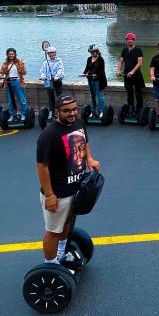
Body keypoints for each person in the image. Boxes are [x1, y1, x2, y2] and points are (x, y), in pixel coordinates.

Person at [36, 94, 101, 264]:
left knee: (67, 223)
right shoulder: (49, 135)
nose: (72, 113)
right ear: (57, 112)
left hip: (76, 187)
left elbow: (84, 142)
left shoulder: (78, 123)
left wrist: (90, 159)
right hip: (58, 193)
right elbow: (42, 167)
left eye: (74, 109)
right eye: (66, 111)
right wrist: (50, 195)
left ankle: (61, 252)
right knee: (53, 230)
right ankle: (50, 266)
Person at [116, 33, 145, 116]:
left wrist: (132, 71)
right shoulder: (124, 50)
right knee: (129, 93)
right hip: (126, 75)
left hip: (136, 75)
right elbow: (121, 61)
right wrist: (118, 70)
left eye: (131, 39)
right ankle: (130, 109)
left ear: (134, 40)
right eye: (128, 39)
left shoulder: (138, 50)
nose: (129, 41)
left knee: (138, 93)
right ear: (126, 41)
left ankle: (139, 110)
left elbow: (139, 63)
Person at [0, 47, 28, 122]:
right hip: (8, 83)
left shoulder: (19, 62)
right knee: (10, 101)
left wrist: (23, 65)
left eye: (12, 54)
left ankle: (23, 114)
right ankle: (12, 115)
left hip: (18, 82)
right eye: (9, 54)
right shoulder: (5, 63)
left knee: (22, 99)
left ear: (15, 54)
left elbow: (24, 73)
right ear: (7, 55)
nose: (11, 55)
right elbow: (1, 72)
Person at [39, 46, 65, 120]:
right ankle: (51, 112)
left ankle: (60, 112)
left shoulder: (59, 61)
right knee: (51, 98)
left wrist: (57, 76)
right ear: (48, 54)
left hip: (57, 81)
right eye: (50, 53)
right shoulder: (45, 62)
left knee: (59, 97)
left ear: (55, 53)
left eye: (53, 52)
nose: (52, 54)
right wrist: (43, 76)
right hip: (48, 81)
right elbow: (43, 71)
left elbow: (60, 70)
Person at [82, 45, 108, 117]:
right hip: (90, 79)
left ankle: (101, 111)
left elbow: (102, 71)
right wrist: (84, 73)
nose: (92, 53)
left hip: (99, 80)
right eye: (91, 52)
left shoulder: (101, 59)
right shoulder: (89, 59)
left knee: (100, 96)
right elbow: (87, 68)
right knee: (92, 96)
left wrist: (96, 75)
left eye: (93, 52)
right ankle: (93, 111)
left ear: (96, 51)